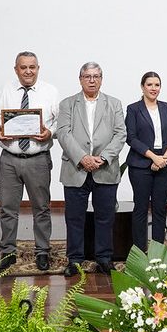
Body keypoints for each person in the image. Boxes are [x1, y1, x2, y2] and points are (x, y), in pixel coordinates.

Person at [0, 51, 58, 272]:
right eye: (23, 67)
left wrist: (50, 132)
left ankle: (42, 251)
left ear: (38, 68)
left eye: (32, 67)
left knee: (42, 208)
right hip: (9, 159)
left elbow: (60, 122)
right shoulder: (5, 90)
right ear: (16, 69)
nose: (28, 71)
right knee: (7, 208)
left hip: (38, 159)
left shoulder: (50, 91)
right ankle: (8, 251)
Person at [57, 62, 126, 277]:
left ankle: (104, 258)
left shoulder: (114, 103)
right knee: (74, 218)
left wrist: (103, 158)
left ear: (101, 79)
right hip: (75, 169)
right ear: (80, 79)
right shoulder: (68, 104)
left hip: (104, 169)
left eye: (96, 76)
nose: (92, 80)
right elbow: (63, 133)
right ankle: (75, 260)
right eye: (87, 76)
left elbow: (120, 134)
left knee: (105, 217)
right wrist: (82, 158)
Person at [125, 71, 167, 252]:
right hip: (141, 165)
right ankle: (139, 251)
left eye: (157, 85)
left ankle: (158, 251)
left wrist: (164, 157)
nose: (153, 88)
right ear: (142, 87)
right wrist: (153, 157)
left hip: (164, 164)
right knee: (141, 209)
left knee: (160, 209)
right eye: (149, 85)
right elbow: (131, 138)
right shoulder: (133, 109)